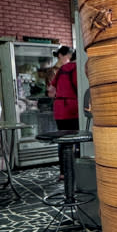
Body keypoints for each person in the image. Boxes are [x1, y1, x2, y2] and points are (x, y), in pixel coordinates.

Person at [48, 45, 79, 177]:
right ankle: (77, 170)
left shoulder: (62, 69)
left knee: (63, 141)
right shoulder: (77, 68)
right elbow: (81, 87)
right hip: (72, 107)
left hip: (59, 108)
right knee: (77, 140)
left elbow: (50, 90)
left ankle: (63, 172)